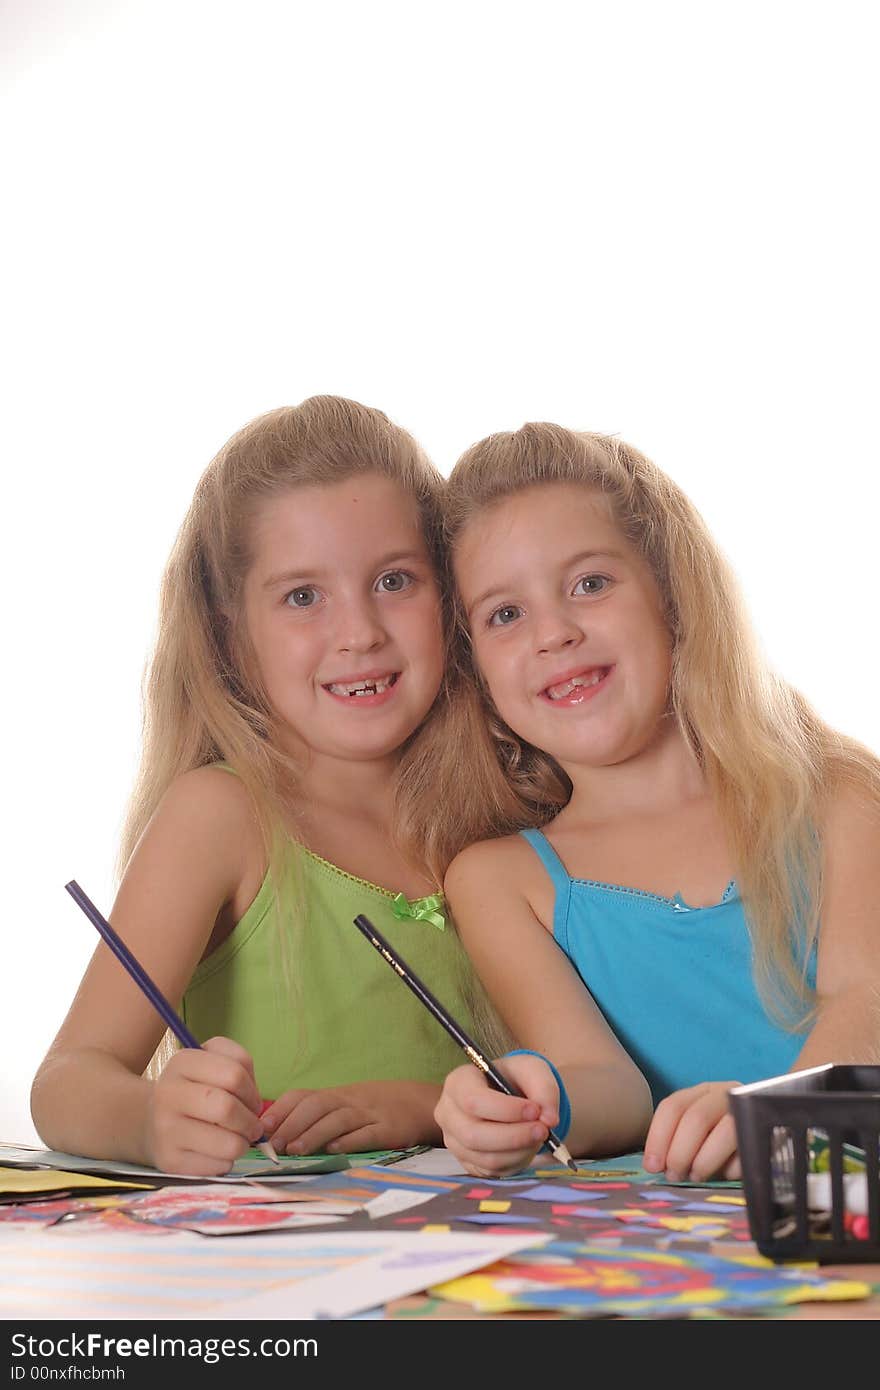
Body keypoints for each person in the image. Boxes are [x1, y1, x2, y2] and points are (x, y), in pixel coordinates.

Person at [31, 396, 496, 1176]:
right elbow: (65, 1083)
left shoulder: (500, 807)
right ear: (227, 631)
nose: (359, 633)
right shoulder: (223, 816)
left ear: (449, 594)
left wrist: (425, 1105)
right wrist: (152, 1121)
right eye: (303, 597)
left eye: (394, 579)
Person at [432, 422, 880, 1180]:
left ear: (672, 594)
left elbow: (865, 1001)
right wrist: (535, 1094)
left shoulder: (838, 795)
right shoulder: (500, 879)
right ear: (474, 667)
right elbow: (608, 1085)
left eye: (590, 584)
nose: (554, 632)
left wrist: (776, 1115)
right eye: (504, 614)